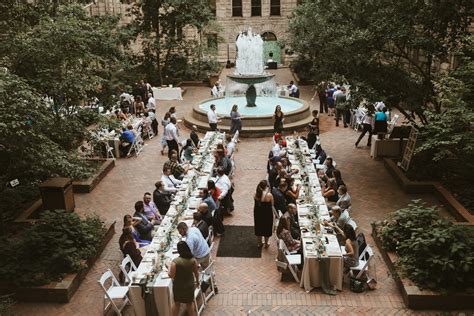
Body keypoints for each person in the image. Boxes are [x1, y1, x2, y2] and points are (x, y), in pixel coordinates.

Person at [168, 241, 200, 316]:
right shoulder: (193, 260)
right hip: (189, 286)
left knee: (177, 303)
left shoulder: (175, 262)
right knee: (189, 303)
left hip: (178, 287)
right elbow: (196, 273)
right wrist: (197, 282)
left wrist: (169, 265)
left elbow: (170, 275)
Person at [253, 180, 274, 248]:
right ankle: (266, 243)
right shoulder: (269, 195)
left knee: (259, 227)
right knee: (267, 228)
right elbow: (272, 204)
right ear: (266, 187)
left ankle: (259, 243)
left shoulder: (255, 193)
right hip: (267, 214)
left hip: (258, 213)